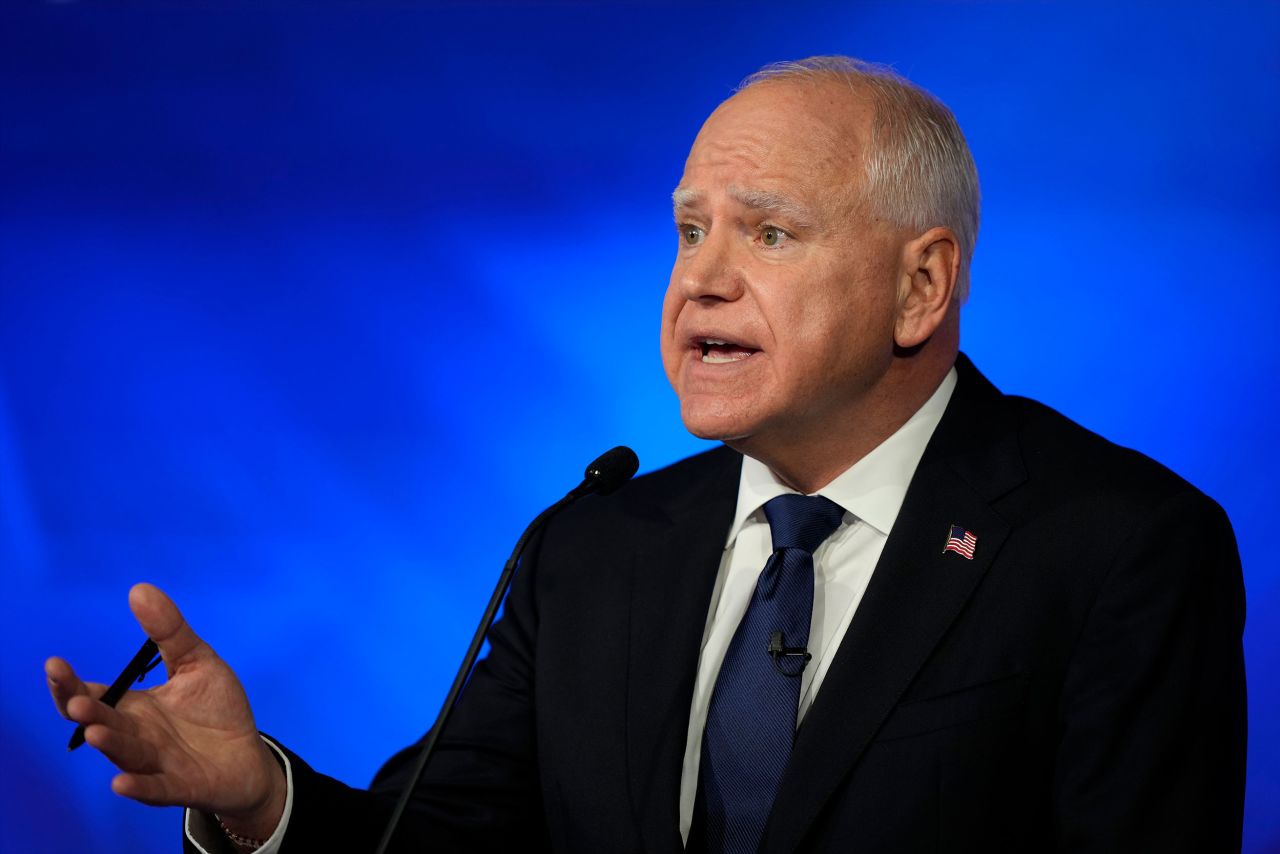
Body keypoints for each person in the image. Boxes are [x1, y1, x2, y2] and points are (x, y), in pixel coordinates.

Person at [47, 56, 1246, 853]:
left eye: (768, 232)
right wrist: (259, 794)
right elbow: (445, 839)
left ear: (919, 284)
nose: (700, 279)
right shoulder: (590, 548)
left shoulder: (1118, 547)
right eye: (688, 229)